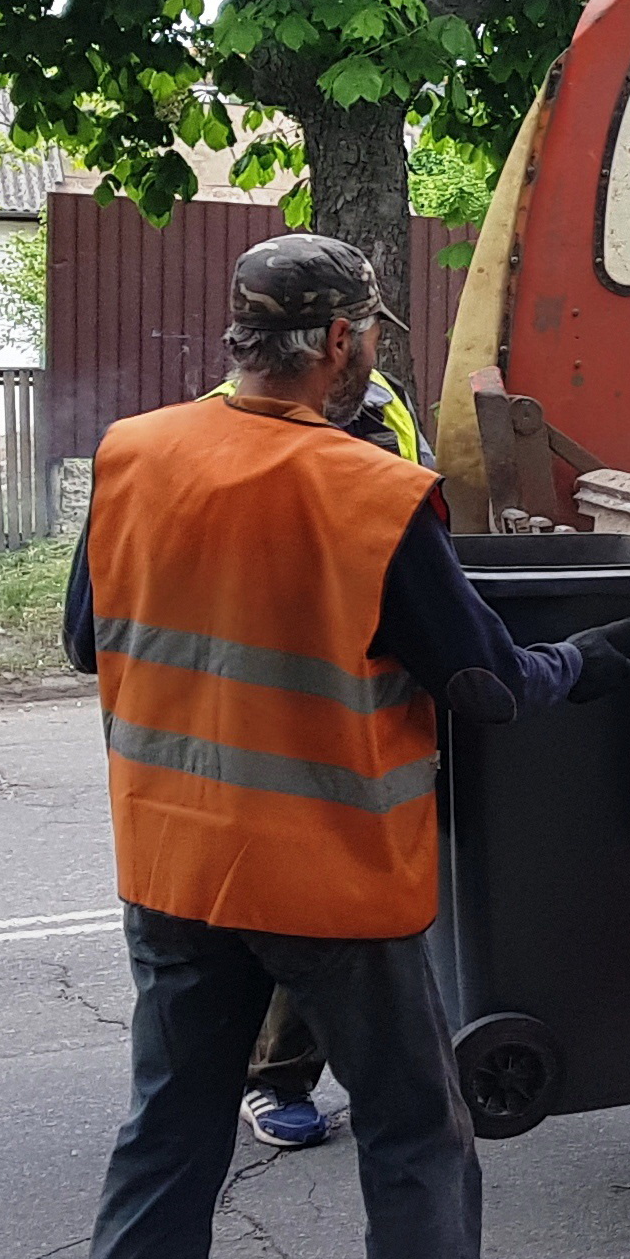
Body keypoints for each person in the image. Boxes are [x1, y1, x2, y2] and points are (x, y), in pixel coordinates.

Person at [57, 233, 630, 1259]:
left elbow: (92, 636)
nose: (373, 342)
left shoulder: (138, 454)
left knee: (162, 1154)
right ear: (337, 343)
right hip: (329, 877)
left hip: (175, 868)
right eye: (367, 326)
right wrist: (589, 668)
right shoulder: (366, 494)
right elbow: (484, 685)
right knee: (417, 1141)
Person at [207, 354, 424, 1151]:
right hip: (260, 710)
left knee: (317, 907)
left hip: (341, 712)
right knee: (291, 905)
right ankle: (274, 1078)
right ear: (337, 335)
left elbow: (418, 518)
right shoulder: (220, 429)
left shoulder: (386, 413)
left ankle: (272, 1073)